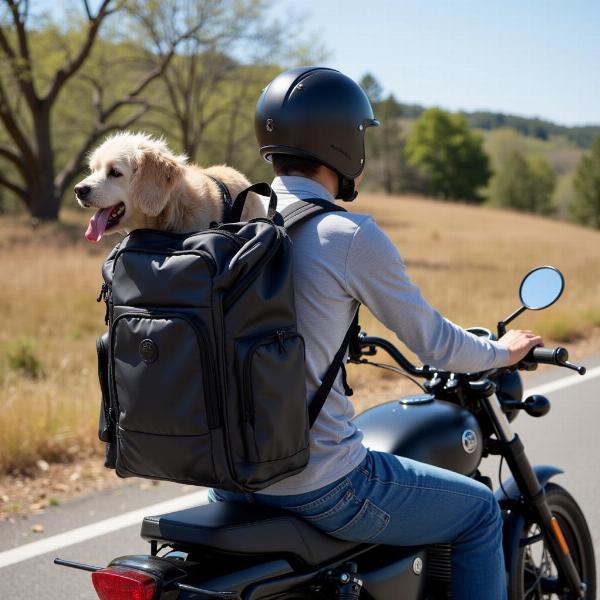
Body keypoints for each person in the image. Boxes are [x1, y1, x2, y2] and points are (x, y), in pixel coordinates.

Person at [208, 66, 543, 600]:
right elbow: (435, 343)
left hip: (228, 477)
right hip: (319, 484)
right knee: (480, 511)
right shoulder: (346, 234)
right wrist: (501, 352)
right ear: (340, 142)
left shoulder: (228, 225)